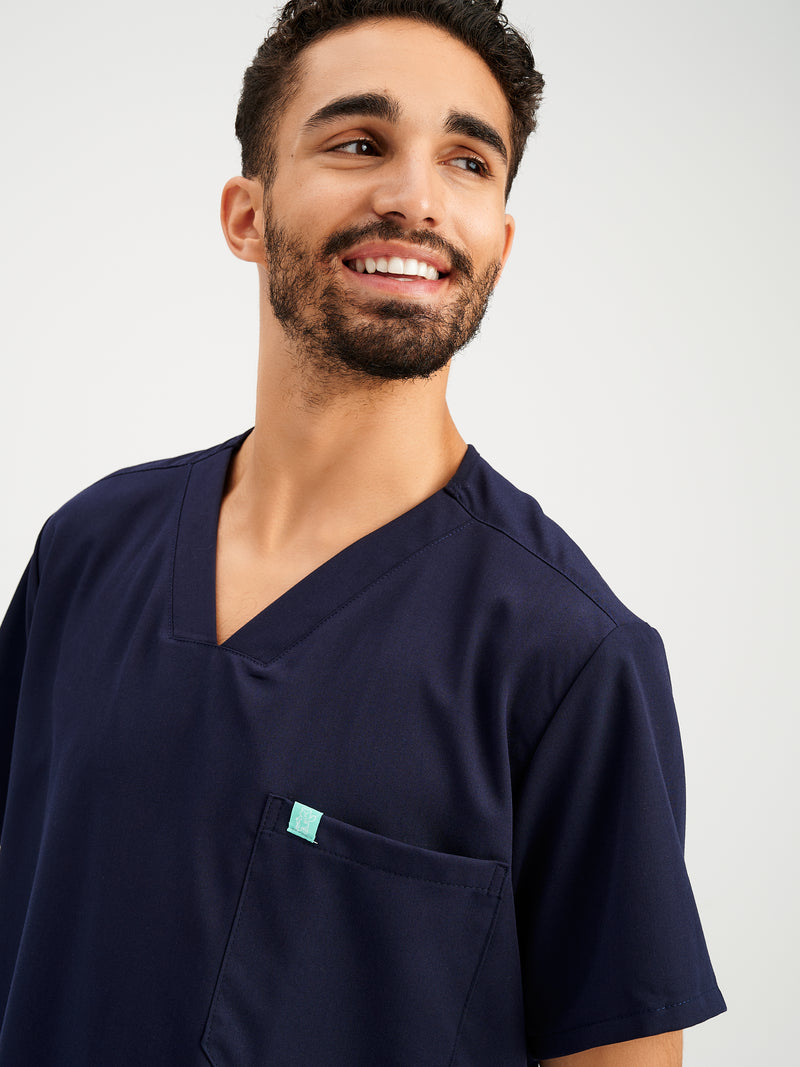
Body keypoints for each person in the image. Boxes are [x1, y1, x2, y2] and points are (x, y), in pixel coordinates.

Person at [0, 1, 726, 1063]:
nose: (415, 198)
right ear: (246, 216)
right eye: (357, 143)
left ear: (500, 244)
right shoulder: (87, 551)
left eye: (467, 162)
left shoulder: (569, 657)